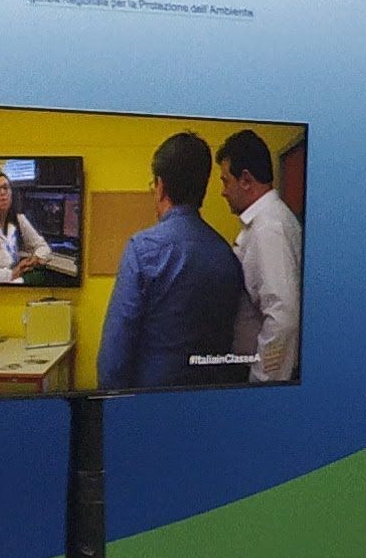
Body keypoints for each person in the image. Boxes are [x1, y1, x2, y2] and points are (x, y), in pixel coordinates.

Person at [96, 131, 251, 391]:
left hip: (151, 401)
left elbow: (113, 359)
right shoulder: (227, 255)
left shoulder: (142, 249)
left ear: (160, 185)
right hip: (212, 400)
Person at [218, 129, 301, 383]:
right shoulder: (265, 223)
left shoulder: (268, 228)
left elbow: (282, 316)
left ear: (245, 179)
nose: (223, 192)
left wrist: (262, 382)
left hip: (260, 378)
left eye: (225, 181)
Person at [0, 172, 57, 282]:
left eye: (6, 188)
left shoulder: (19, 219)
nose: (3, 192)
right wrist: (14, 272)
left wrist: (35, 258)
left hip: (12, 281)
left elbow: (43, 246)